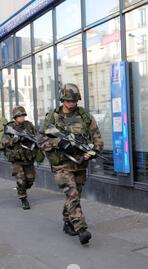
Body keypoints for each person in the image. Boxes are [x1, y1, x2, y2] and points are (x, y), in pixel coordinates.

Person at [39, 83, 103, 245]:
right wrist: (58, 144)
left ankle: (68, 222)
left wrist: (93, 151)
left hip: (80, 164)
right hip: (61, 165)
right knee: (72, 193)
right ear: (62, 100)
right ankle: (81, 229)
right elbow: (40, 140)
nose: (72, 104)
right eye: (68, 101)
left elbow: (97, 138)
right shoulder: (52, 117)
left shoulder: (85, 116)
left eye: (74, 101)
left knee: (74, 195)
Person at [1, 106, 41, 210]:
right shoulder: (10, 127)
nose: (22, 118)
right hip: (17, 159)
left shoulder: (29, 125)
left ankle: (21, 189)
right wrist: (14, 139)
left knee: (30, 180)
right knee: (21, 180)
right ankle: (23, 198)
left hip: (28, 157)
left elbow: (36, 135)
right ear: (15, 117)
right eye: (19, 116)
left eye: (23, 115)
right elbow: (4, 141)